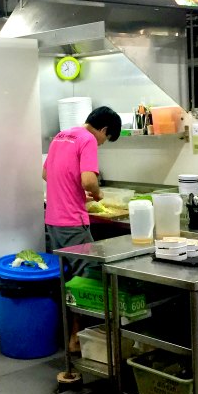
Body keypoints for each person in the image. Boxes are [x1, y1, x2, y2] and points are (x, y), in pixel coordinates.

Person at [42, 106, 121, 352]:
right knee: (87, 278)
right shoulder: (88, 139)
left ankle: (69, 336)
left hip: (53, 220)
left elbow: (46, 174)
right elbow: (88, 180)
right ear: (104, 130)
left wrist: (74, 194)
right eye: (106, 139)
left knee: (67, 278)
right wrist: (97, 194)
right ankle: (77, 339)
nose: (102, 143)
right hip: (72, 223)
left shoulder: (61, 136)